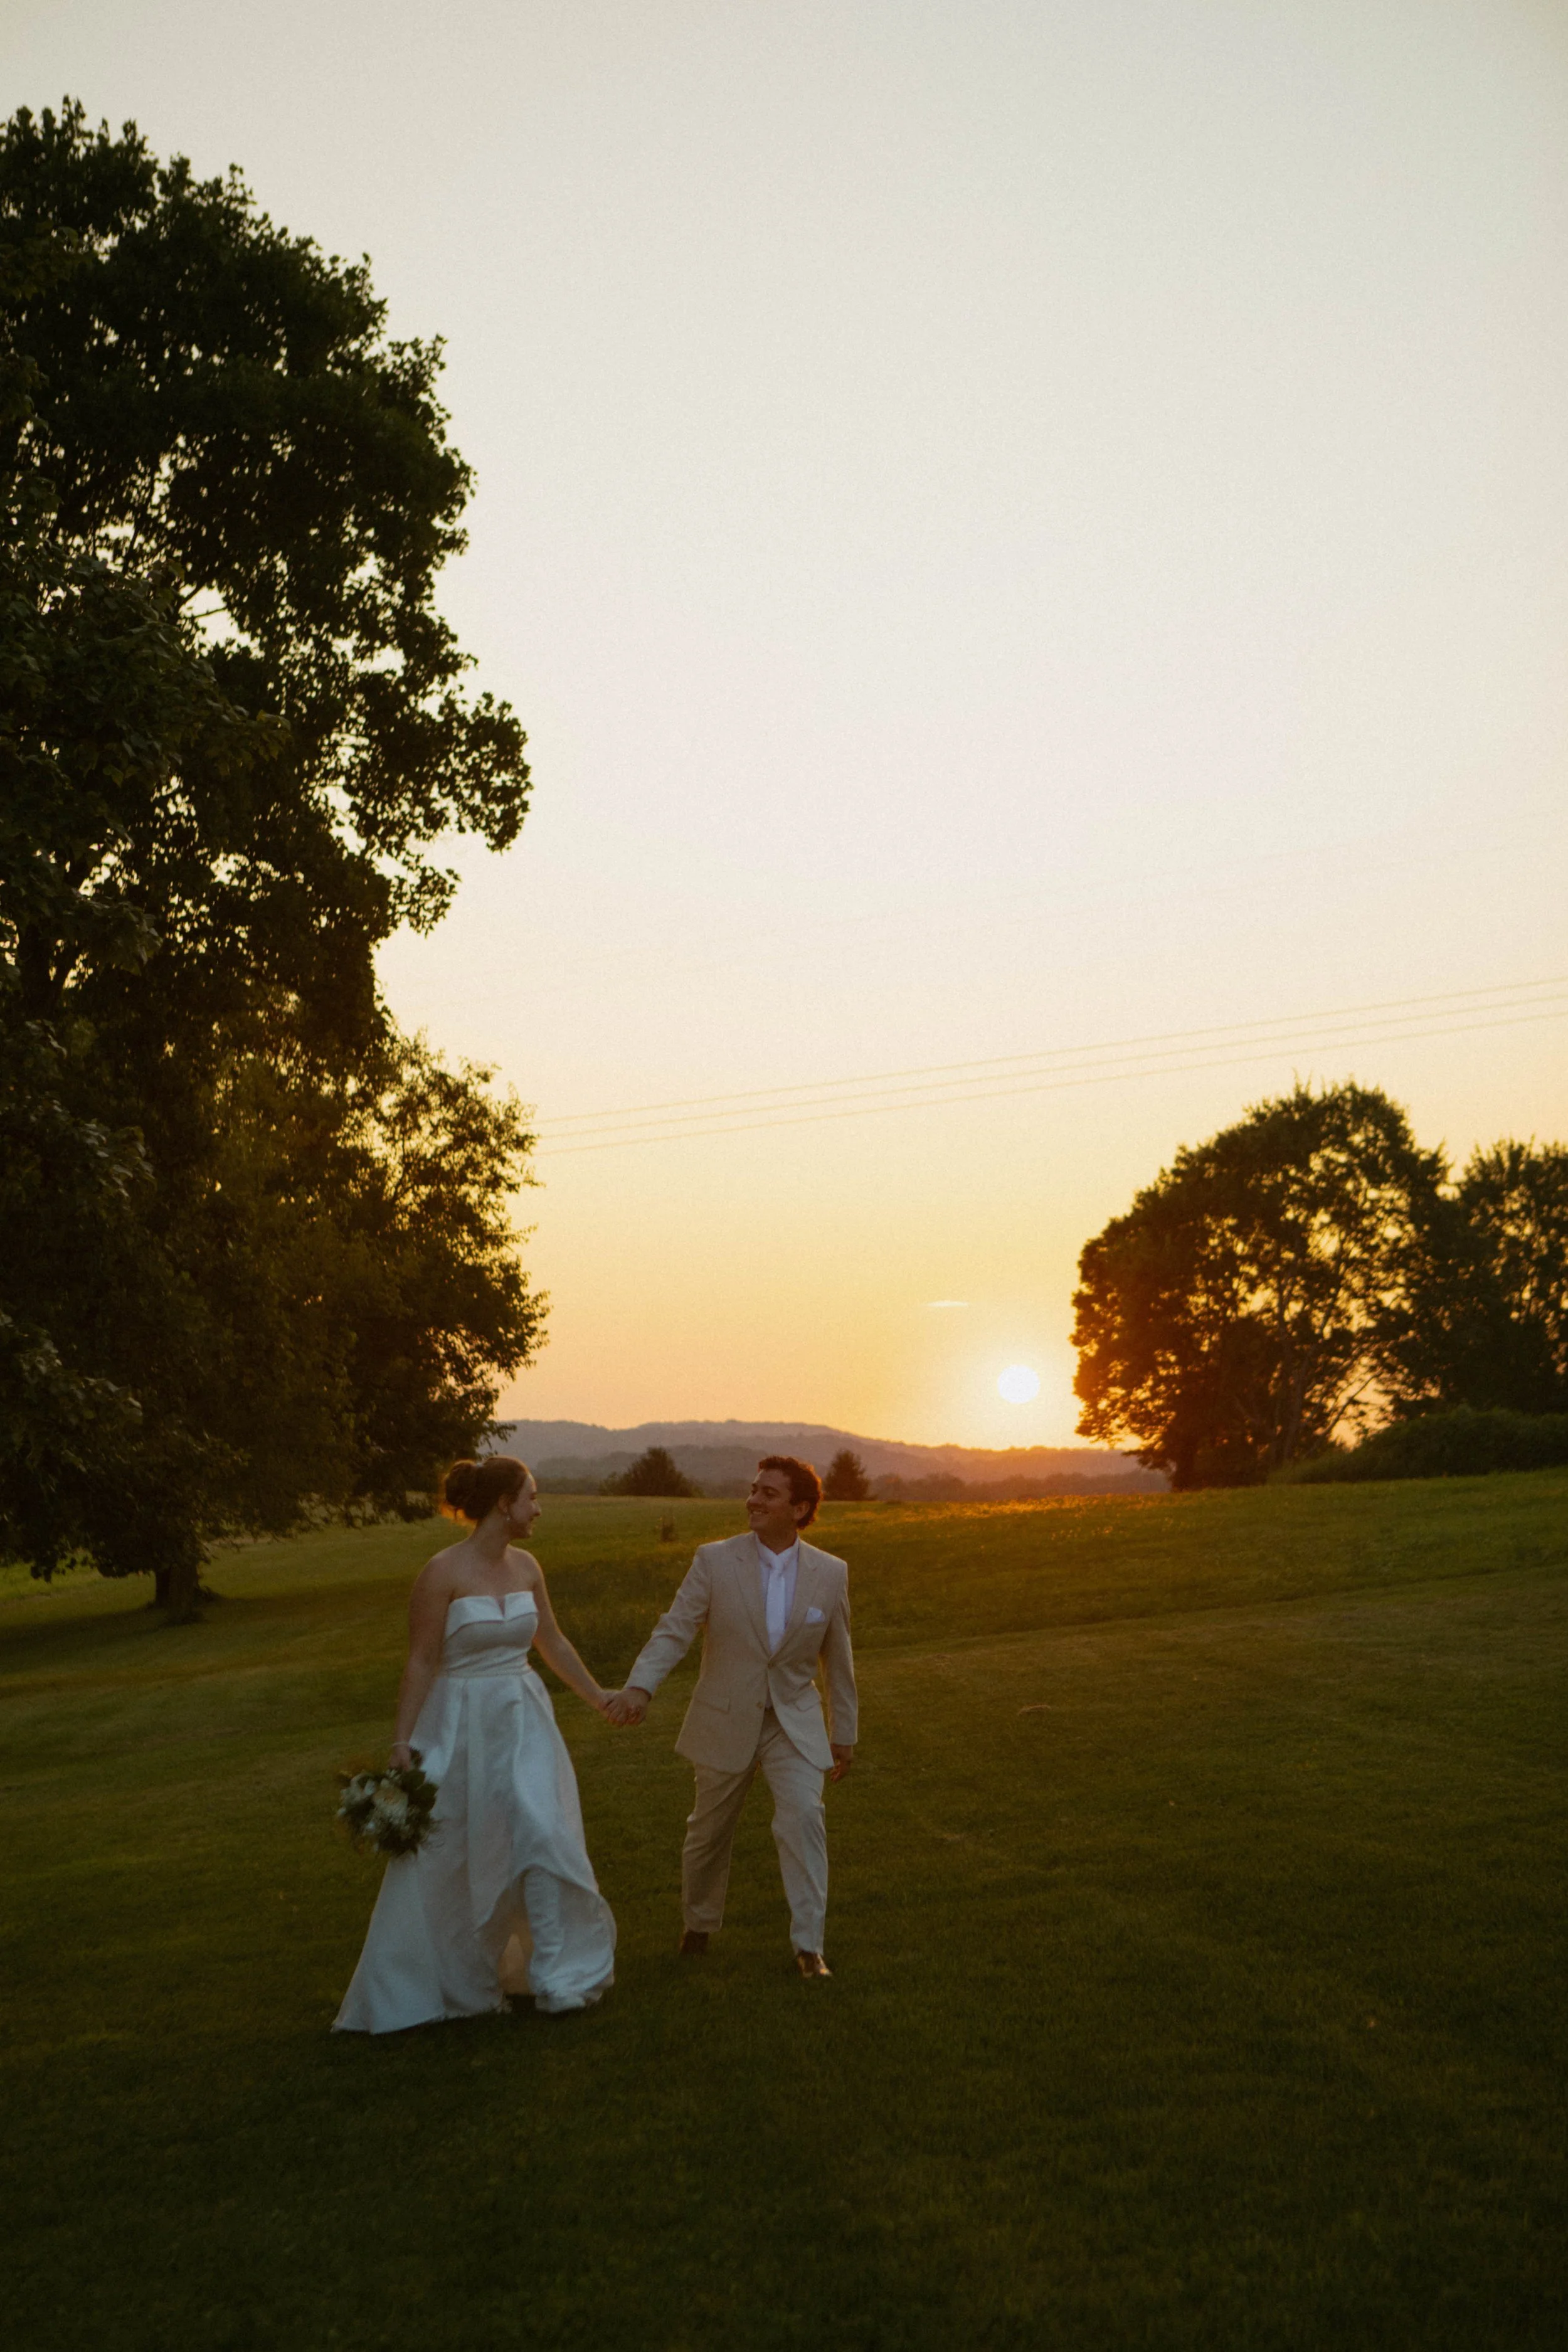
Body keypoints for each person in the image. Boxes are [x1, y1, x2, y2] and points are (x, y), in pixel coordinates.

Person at [334, 1456, 617, 2033]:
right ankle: (456, 1976)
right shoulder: (441, 1573)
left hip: (524, 1718)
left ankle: (555, 1978)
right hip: (459, 1722)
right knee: (457, 1849)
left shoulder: (529, 1567)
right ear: (501, 1505)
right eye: (531, 1497)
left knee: (542, 1831)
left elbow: (553, 1643)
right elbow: (421, 1660)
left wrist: (599, 1698)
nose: (538, 1508)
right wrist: (402, 1742)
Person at [604, 1455, 857, 1978]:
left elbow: (839, 1657)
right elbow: (675, 1628)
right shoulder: (714, 1561)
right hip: (724, 1716)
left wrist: (844, 1732)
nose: (753, 1500)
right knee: (707, 1833)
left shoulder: (831, 1574)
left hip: (794, 1721)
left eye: (768, 1493)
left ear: (800, 1508)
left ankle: (809, 1948)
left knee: (805, 1819)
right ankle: (698, 1925)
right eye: (753, 1489)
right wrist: (641, 1686)